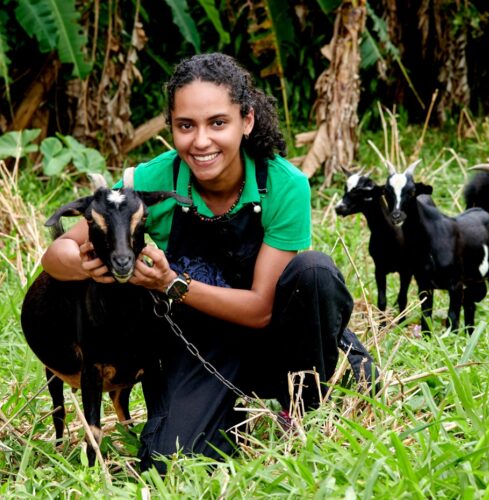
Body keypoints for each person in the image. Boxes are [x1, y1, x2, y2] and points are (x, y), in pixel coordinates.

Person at [40, 52, 377, 472]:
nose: (201, 142)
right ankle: (226, 415)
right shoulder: (149, 182)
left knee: (314, 272)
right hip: (199, 341)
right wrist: (84, 264)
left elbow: (260, 309)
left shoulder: (284, 186)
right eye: (186, 126)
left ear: (246, 121)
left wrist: (169, 283)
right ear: (173, 128)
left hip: (275, 336)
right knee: (170, 462)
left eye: (218, 123)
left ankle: (304, 401)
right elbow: (55, 256)